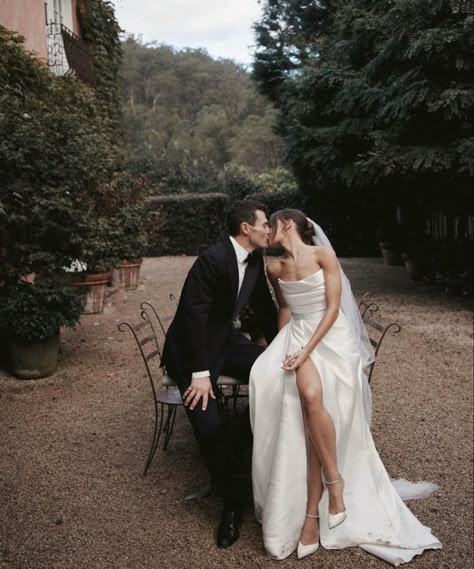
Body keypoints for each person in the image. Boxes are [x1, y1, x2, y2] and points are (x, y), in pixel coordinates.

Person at [249, 209, 442, 564]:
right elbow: (287, 310)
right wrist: (284, 346)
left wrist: (306, 349)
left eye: (270, 225)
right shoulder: (272, 266)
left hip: (331, 338)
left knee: (310, 401)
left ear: (286, 224)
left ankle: (318, 506)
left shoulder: (324, 255)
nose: (267, 232)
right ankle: (326, 490)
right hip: (299, 336)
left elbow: (335, 308)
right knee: (298, 392)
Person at [161, 200, 278, 549]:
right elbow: (191, 318)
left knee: (275, 374)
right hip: (191, 354)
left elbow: (266, 309)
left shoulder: (256, 259)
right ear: (247, 228)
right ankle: (232, 503)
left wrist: (280, 349)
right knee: (208, 428)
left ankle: (247, 441)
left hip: (225, 342)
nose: (269, 229)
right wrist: (199, 373)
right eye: (265, 224)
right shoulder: (212, 259)